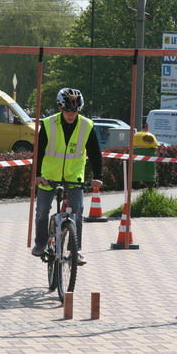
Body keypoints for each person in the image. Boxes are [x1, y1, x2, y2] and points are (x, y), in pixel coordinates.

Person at [31, 87, 103, 265]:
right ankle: (40, 243)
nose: (71, 114)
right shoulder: (48, 124)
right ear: (60, 109)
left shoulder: (86, 126)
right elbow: (39, 152)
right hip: (48, 177)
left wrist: (98, 176)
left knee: (76, 212)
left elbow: (95, 153)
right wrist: (38, 175)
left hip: (74, 176)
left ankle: (74, 252)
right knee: (42, 212)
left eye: (75, 110)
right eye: (68, 110)